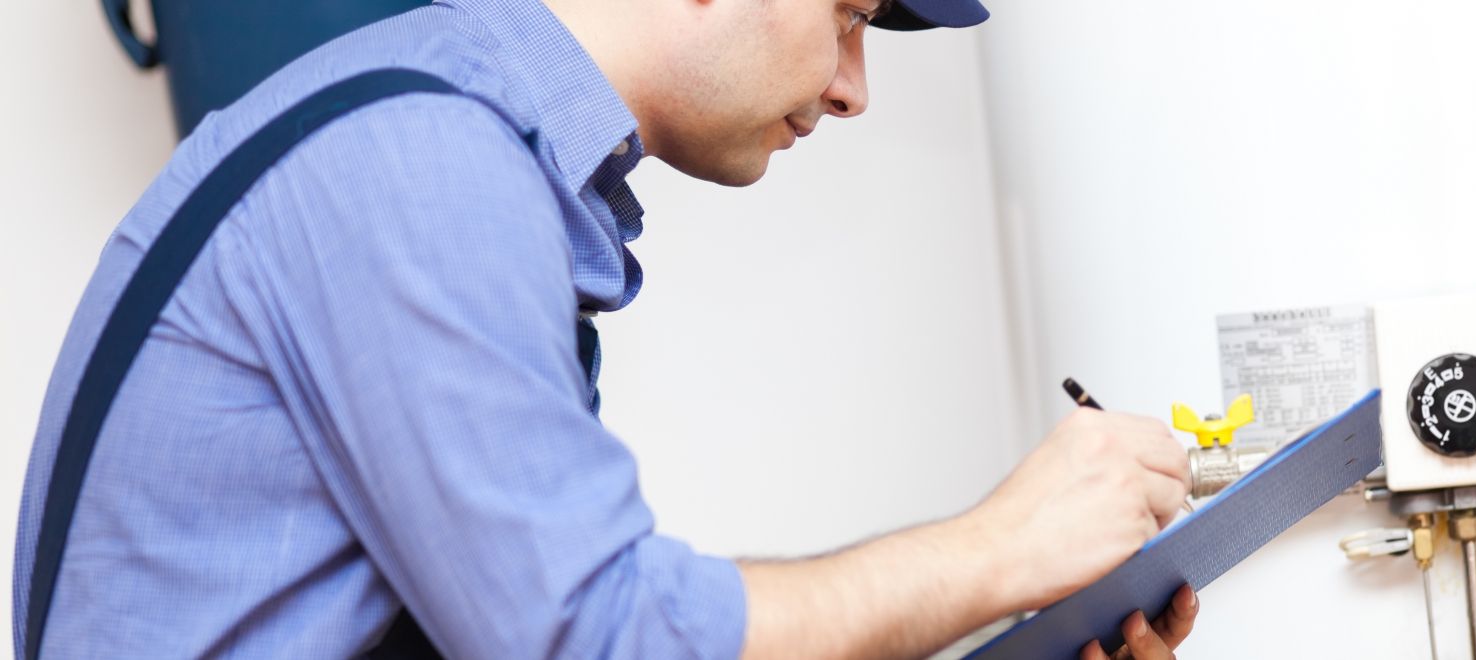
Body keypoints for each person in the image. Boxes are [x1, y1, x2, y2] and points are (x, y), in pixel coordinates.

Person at [12, 0, 1203, 657]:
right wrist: (999, 549)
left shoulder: (459, 149)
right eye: (848, 12)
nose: (854, 85)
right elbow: (594, 637)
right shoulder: (422, 162)